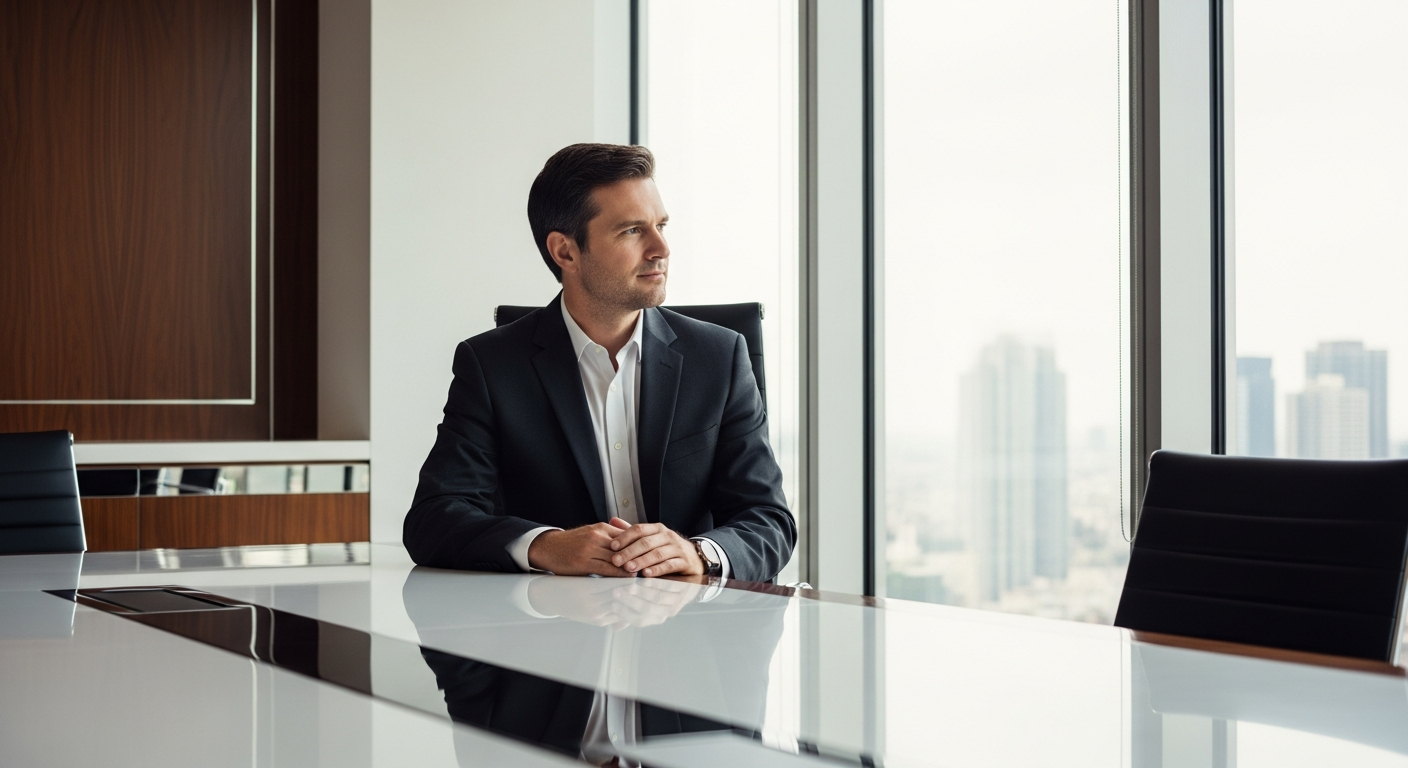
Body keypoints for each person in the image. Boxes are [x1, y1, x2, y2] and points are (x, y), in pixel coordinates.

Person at [403, 143, 795, 583]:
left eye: (661, 225)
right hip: (551, 632)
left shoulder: (719, 357)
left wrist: (695, 552)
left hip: (689, 629)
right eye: (631, 231)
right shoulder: (492, 366)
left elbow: (768, 520)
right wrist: (546, 545)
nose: (661, 248)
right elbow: (433, 519)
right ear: (566, 252)